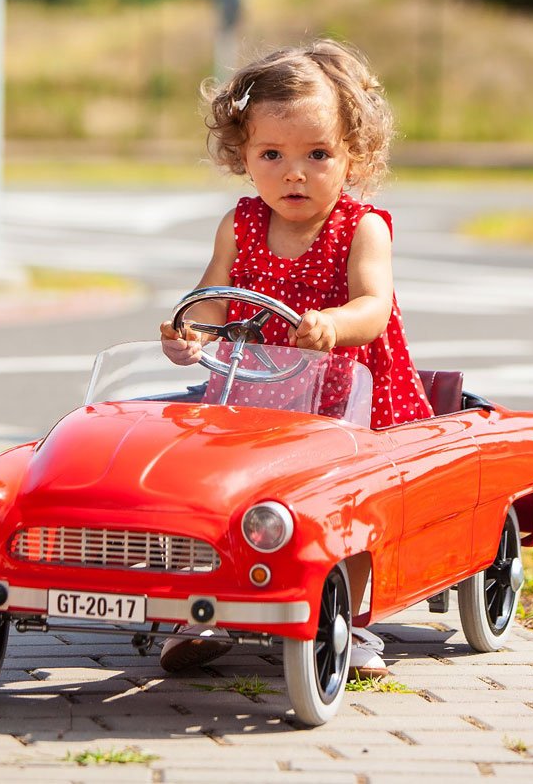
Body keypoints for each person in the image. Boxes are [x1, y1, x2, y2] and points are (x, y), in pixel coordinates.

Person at [159, 38, 434, 677]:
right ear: (243, 157)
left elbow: (372, 305)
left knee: (350, 504)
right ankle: (207, 611)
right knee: (219, 494)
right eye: (272, 155)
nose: (294, 173)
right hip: (259, 393)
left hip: (352, 394)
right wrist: (190, 331)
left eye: (318, 154)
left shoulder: (360, 227)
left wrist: (334, 324)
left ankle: (353, 621)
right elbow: (211, 301)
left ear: (352, 156)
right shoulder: (241, 224)